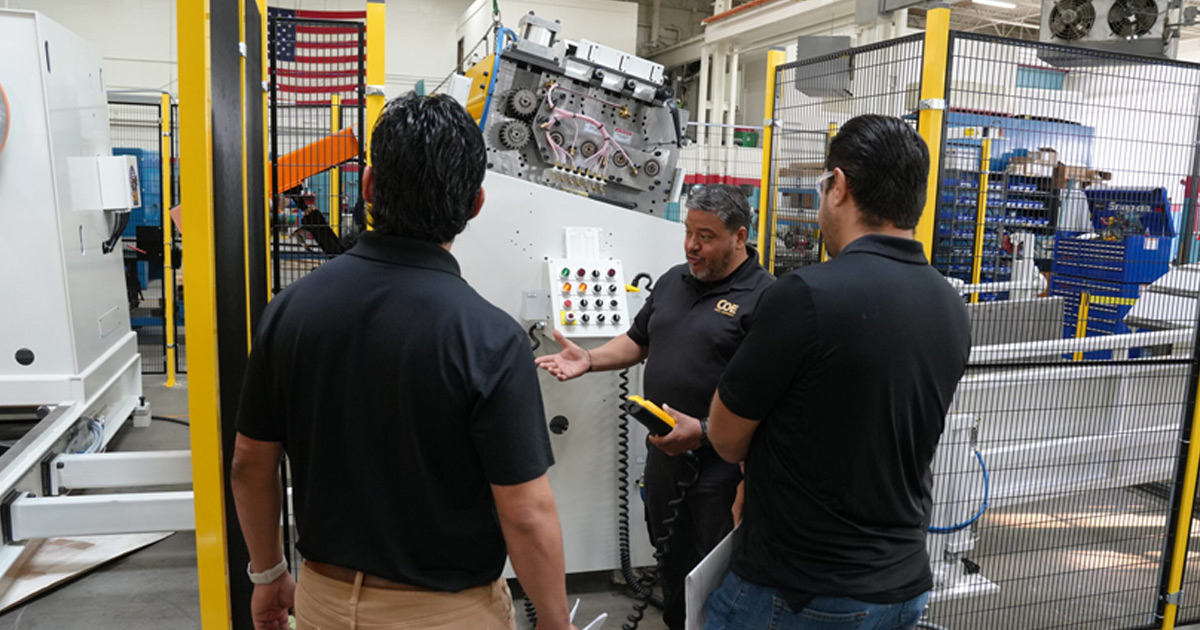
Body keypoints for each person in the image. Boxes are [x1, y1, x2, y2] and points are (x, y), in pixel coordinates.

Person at [231, 92, 576, 630]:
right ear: (474, 204)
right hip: (447, 614)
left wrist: (269, 572)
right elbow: (526, 514)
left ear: (369, 187)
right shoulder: (490, 338)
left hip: (320, 600)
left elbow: (250, 464)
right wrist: (556, 623)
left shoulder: (289, 312)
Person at [702, 114, 972, 630]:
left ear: (839, 186)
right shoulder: (949, 304)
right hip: (902, 585)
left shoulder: (806, 295)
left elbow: (727, 438)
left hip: (801, 592)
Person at [536, 183, 775, 630]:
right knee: (674, 572)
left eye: (705, 236)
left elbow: (769, 399)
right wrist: (589, 359)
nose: (691, 245)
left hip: (722, 474)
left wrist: (704, 431)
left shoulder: (766, 298)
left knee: (719, 584)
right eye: (688, 232)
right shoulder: (673, 281)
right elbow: (638, 340)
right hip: (666, 464)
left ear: (739, 238)